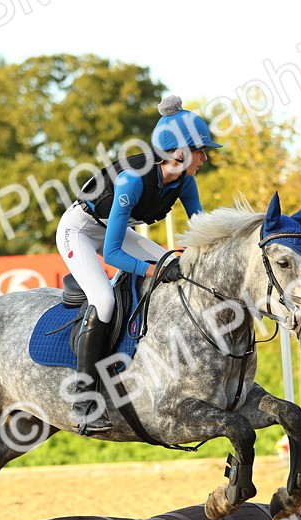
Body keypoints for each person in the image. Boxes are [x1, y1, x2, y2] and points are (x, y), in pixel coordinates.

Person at [56, 95, 221, 434]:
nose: (205, 158)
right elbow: (113, 255)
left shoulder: (185, 182)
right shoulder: (131, 181)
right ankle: (84, 400)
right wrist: (154, 270)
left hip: (114, 230)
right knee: (104, 300)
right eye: (201, 150)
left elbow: (203, 231)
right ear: (178, 152)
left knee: (174, 266)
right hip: (80, 231)